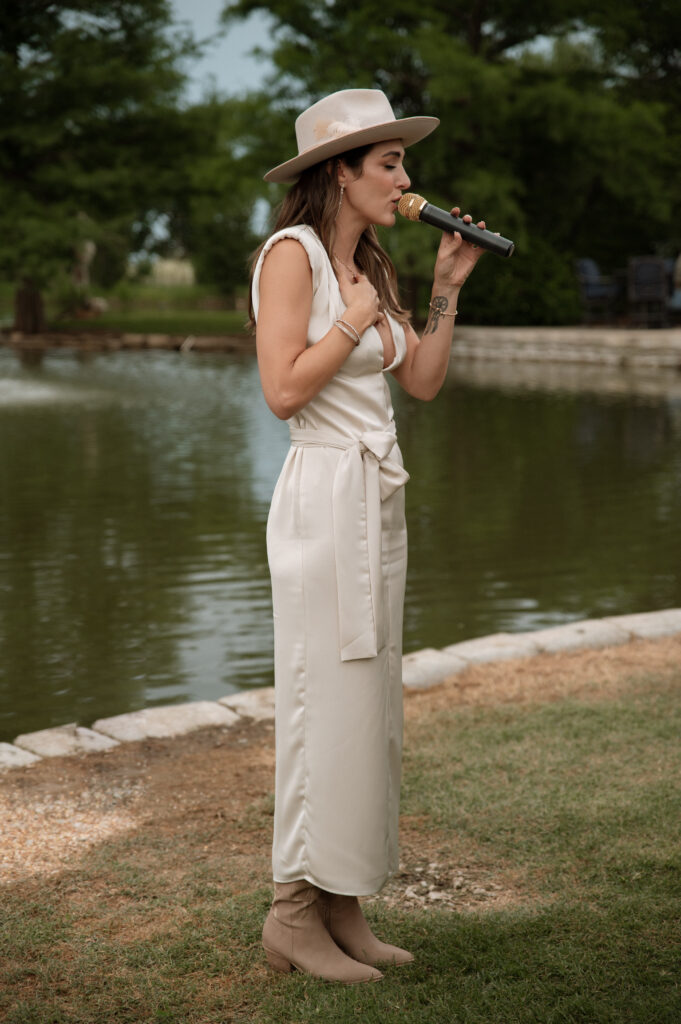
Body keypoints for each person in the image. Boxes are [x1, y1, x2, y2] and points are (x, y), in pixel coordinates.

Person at [250, 88, 486, 984]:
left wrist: (442, 292)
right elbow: (280, 392)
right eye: (387, 162)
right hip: (320, 500)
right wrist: (348, 316)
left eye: (400, 161)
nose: (404, 176)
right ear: (337, 173)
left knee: (365, 708)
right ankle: (291, 917)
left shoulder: (373, 262)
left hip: (373, 497)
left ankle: (342, 900)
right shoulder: (291, 257)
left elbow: (418, 383)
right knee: (320, 704)